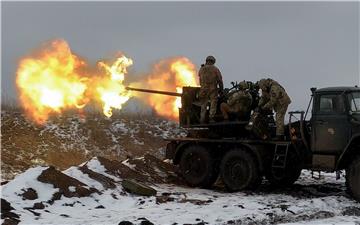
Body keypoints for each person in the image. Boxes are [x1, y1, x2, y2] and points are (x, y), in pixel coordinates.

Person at [198, 56, 224, 123]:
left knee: (203, 105)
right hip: (212, 89)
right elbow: (219, 80)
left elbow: (200, 80)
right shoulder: (215, 69)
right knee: (213, 103)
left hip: (203, 89)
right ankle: (211, 118)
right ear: (213, 61)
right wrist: (221, 89)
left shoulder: (201, 69)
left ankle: (202, 119)